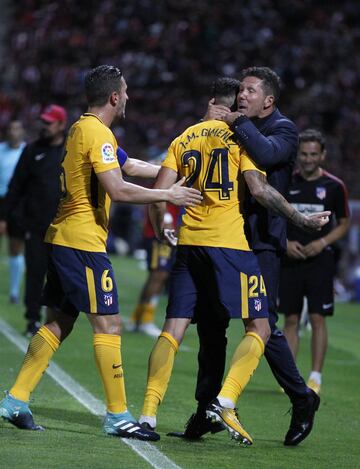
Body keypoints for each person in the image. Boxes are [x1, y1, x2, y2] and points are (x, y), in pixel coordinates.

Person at [0, 65, 202, 441]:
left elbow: (130, 165)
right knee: (108, 323)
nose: (127, 97)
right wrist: (167, 194)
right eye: (125, 92)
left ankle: (15, 400)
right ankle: (117, 416)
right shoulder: (98, 133)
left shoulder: (84, 129)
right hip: (82, 244)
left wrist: (170, 168)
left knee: (60, 321)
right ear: (113, 97)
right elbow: (119, 188)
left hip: (65, 238)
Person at [138, 76, 329, 445]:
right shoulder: (232, 132)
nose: (243, 96)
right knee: (212, 330)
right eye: (239, 92)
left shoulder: (281, 130)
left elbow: (266, 165)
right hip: (229, 241)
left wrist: (221, 123)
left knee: (263, 325)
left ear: (268, 101)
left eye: (250, 91)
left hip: (258, 243)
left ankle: (300, 397)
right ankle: (209, 407)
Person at [279, 129, 350, 395]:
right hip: (291, 259)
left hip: (320, 261)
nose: (307, 159)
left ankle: (315, 377)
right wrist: (285, 243)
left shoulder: (334, 186)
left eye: (313, 154)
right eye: (303, 154)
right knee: (291, 318)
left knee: (318, 317)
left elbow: (343, 224)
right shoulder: (287, 182)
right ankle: (290, 377)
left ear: (322, 155)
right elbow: (276, 218)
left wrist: (322, 242)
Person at [5, 105, 67, 336]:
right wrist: (5, 217)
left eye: (50, 122)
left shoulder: (70, 150)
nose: (45, 125)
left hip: (63, 227)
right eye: (43, 121)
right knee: (35, 273)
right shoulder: (32, 150)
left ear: (61, 124)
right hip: (35, 225)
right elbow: (16, 186)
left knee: (60, 276)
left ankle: (55, 320)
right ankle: (32, 319)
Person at [127, 203, 179, 337]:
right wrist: (167, 222)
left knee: (156, 277)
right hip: (161, 234)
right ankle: (146, 320)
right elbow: (159, 199)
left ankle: (136, 318)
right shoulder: (170, 181)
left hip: (161, 233)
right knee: (159, 275)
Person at [0, 119, 26, 304]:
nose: (12, 131)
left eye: (16, 128)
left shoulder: (27, 152)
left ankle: (14, 292)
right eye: (10, 128)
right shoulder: (0, 150)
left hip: (17, 205)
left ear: (22, 131)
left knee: (15, 247)